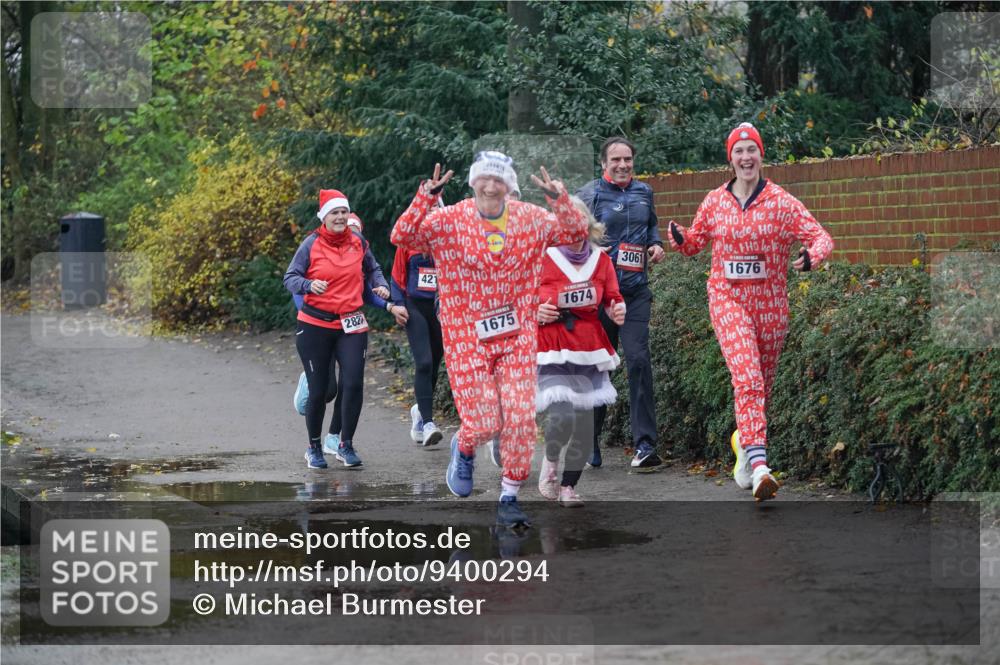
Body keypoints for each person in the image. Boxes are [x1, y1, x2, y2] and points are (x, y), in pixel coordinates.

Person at [391, 151, 587, 528]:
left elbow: (576, 234)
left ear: (510, 186)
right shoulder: (449, 219)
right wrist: (426, 197)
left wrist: (559, 199)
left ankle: (509, 496)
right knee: (483, 422)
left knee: (518, 417)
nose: (492, 186)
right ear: (473, 181)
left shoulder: (529, 218)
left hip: (516, 333)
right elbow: (402, 235)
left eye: (499, 180)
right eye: (485, 178)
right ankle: (464, 447)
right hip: (466, 333)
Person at [667, 122, 834, 501]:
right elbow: (696, 243)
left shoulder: (781, 202)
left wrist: (812, 257)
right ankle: (760, 466)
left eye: (751, 150)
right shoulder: (714, 201)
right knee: (748, 381)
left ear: (761, 155)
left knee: (761, 388)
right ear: (730, 158)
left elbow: (822, 237)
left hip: (771, 306)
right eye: (739, 151)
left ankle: (744, 446)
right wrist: (682, 240)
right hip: (727, 300)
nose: (746, 157)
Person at [284, 189, 407, 469]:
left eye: (343, 212)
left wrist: (382, 285)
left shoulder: (358, 242)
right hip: (315, 324)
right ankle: (313, 447)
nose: (340, 217)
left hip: (351, 323)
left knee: (353, 384)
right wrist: (307, 285)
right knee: (320, 391)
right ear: (324, 217)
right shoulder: (310, 244)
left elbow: (373, 269)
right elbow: (290, 277)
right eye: (334, 213)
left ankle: (345, 444)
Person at [576, 137, 665, 471]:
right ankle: (589, 439)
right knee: (599, 368)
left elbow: (650, 225)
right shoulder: (590, 194)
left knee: (639, 361)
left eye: (628, 159)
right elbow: (573, 237)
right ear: (604, 164)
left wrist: (655, 245)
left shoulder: (644, 192)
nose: (623, 165)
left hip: (635, 293)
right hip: (600, 298)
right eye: (616, 160)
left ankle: (645, 445)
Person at [535, 197, 625, 506]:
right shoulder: (541, 257)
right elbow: (520, 294)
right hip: (553, 345)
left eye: (577, 222)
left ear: (586, 224)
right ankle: (549, 466)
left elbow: (612, 296)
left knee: (586, 424)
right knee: (562, 417)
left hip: (589, 346)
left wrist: (617, 308)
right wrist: (536, 310)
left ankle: (569, 486)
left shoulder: (601, 260)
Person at [390, 243, 444, 448]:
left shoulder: (448, 238)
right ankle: (428, 423)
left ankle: (420, 411)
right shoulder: (408, 242)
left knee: (435, 362)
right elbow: (396, 276)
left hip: (441, 306)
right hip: (413, 305)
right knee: (424, 363)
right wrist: (398, 304)